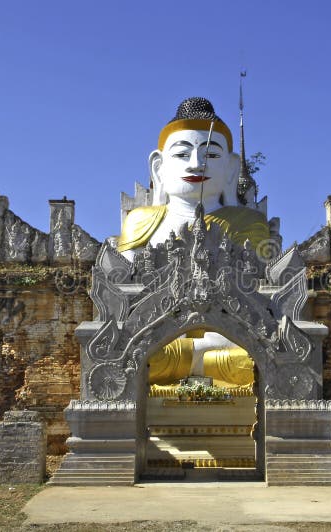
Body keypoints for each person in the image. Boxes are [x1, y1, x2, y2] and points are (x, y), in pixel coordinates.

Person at [118, 97, 267, 387]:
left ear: (231, 167)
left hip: (227, 345)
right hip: (160, 346)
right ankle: (195, 359)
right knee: (141, 357)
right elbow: (121, 300)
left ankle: (194, 359)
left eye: (211, 155)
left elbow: (259, 300)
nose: (197, 164)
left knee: (248, 361)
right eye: (183, 154)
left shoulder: (248, 223)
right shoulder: (141, 221)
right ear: (158, 166)